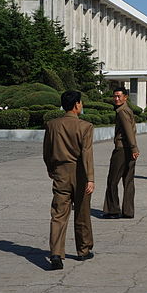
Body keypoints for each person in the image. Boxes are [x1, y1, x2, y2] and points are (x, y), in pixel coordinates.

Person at [42, 90, 95, 270]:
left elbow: (47, 151)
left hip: (60, 173)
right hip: (80, 173)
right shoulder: (85, 127)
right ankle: (83, 250)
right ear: (76, 105)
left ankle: (56, 253)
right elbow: (87, 154)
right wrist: (90, 178)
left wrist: (51, 169)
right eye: (80, 102)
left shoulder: (52, 125)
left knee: (58, 214)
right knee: (82, 212)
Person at [103, 87, 139, 219]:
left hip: (122, 149)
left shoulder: (122, 111)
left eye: (119, 96)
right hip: (129, 149)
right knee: (128, 181)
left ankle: (113, 210)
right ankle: (128, 211)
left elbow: (128, 131)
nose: (116, 99)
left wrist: (134, 148)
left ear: (125, 97)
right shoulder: (127, 109)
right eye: (115, 96)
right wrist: (134, 149)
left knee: (112, 180)